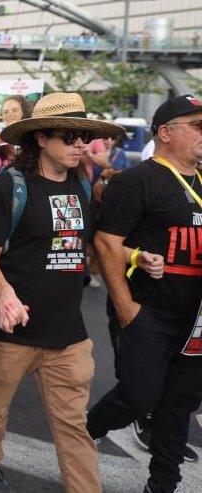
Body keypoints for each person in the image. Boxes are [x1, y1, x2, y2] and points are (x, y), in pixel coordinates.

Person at [0, 93, 123, 493]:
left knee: (75, 425)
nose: (80, 144)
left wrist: (137, 258)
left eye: (83, 136)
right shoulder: (10, 184)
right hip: (15, 329)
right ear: (41, 138)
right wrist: (4, 295)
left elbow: (88, 245)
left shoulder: (82, 182)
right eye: (69, 136)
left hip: (69, 332)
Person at [87, 94, 202, 493]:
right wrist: (126, 308)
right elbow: (105, 244)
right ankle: (86, 432)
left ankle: (162, 484)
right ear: (166, 133)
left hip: (195, 322)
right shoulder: (137, 181)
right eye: (197, 126)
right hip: (148, 311)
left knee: (178, 407)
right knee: (139, 396)